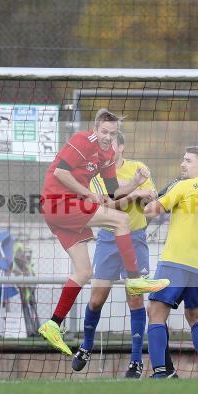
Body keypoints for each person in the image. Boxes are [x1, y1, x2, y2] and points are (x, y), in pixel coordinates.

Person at [37, 109, 169, 356]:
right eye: (104, 131)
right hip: (57, 202)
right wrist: (87, 193)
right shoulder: (81, 140)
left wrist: (135, 183)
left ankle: (53, 323)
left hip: (65, 212)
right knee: (120, 219)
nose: (108, 137)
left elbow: (113, 193)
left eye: (112, 132)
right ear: (95, 129)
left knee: (84, 271)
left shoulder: (108, 154)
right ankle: (135, 279)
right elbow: (60, 172)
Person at [71, 131, 157, 378]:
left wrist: (146, 197)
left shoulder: (138, 167)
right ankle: (86, 346)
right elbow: (107, 206)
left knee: (135, 299)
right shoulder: (97, 174)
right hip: (108, 240)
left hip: (136, 239)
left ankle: (136, 361)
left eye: (110, 144)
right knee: (97, 299)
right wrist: (134, 195)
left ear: (121, 147)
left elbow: (149, 200)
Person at [144, 146, 198, 378]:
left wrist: (148, 199)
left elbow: (150, 211)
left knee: (156, 313)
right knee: (196, 317)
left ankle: (159, 372)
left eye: (188, 160)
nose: (182, 164)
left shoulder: (184, 186)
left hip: (174, 262)